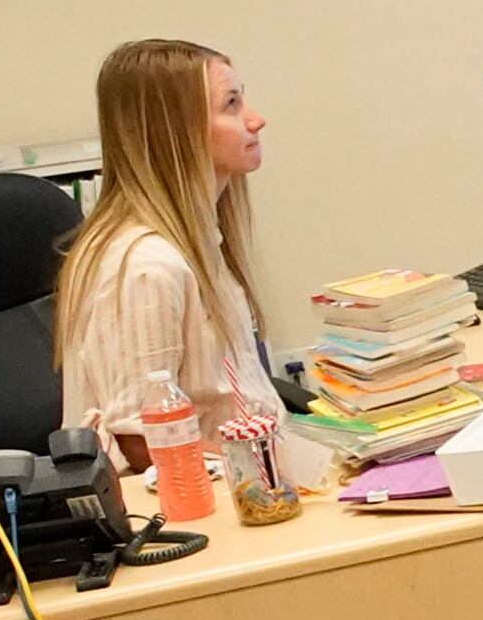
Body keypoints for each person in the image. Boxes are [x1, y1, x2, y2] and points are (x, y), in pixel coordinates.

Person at [54, 36, 306, 473]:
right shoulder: (146, 265)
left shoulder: (198, 240)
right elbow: (143, 444)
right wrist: (288, 470)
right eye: (231, 104)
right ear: (176, 130)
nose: (256, 120)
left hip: (249, 483)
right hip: (201, 505)